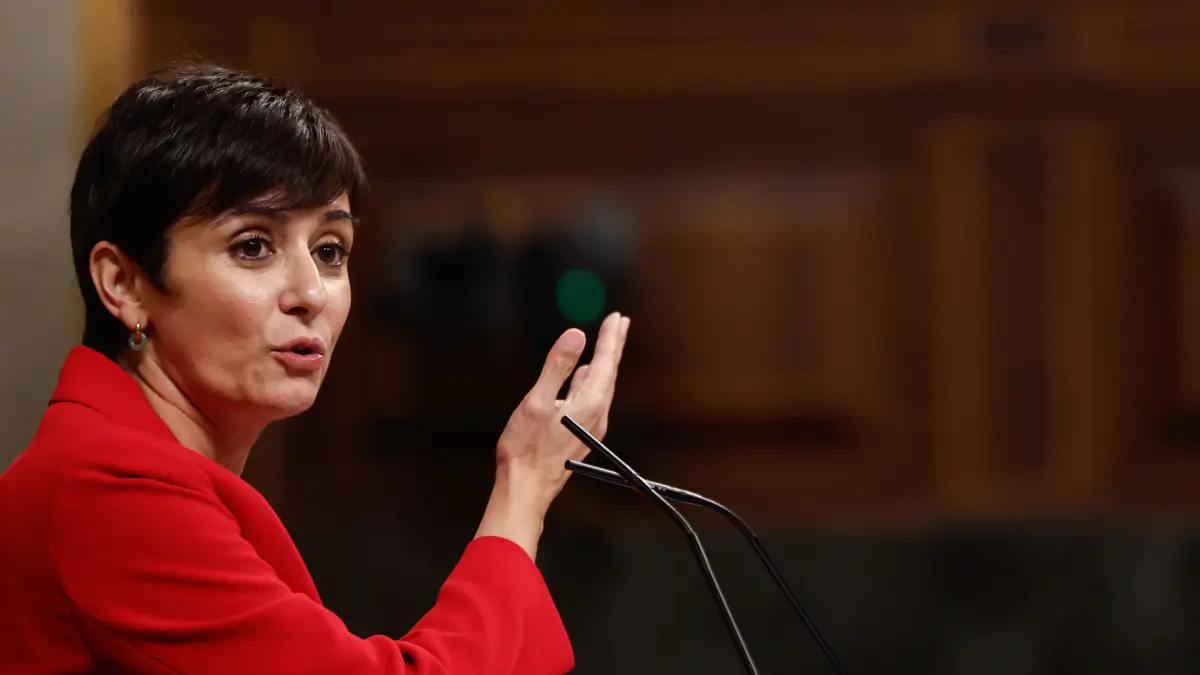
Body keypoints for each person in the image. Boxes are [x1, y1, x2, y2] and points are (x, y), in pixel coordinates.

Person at [0, 62, 629, 675]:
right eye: (253, 246)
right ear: (124, 285)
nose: (311, 293)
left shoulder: (125, 466)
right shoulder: (105, 486)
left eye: (330, 251)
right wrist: (524, 484)